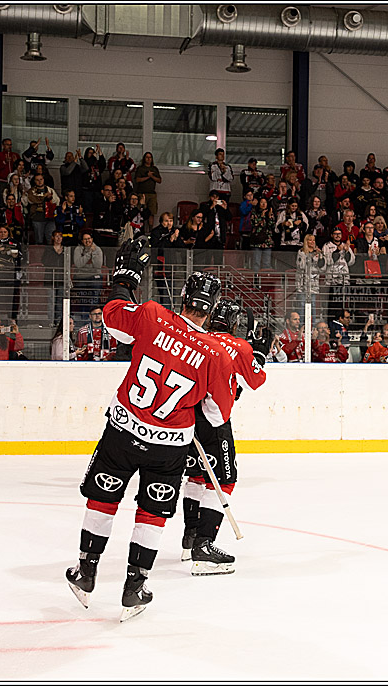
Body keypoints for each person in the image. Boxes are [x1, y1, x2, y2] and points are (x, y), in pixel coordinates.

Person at [64, 239, 244, 622]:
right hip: (169, 447)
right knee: (152, 512)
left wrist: (125, 279)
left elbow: (112, 316)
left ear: (182, 298)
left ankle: (86, 571)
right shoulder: (217, 354)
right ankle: (135, 586)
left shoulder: (151, 315)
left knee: (103, 499)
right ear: (210, 311)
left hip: (123, 430)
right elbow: (215, 416)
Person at [180, 298, 269, 575]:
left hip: (186, 419)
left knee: (196, 476)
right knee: (224, 480)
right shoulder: (238, 346)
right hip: (214, 423)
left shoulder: (196, 337)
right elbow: (256, 380)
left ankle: (190, 536)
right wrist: (260, 353)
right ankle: (204, 546)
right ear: (234, 324)